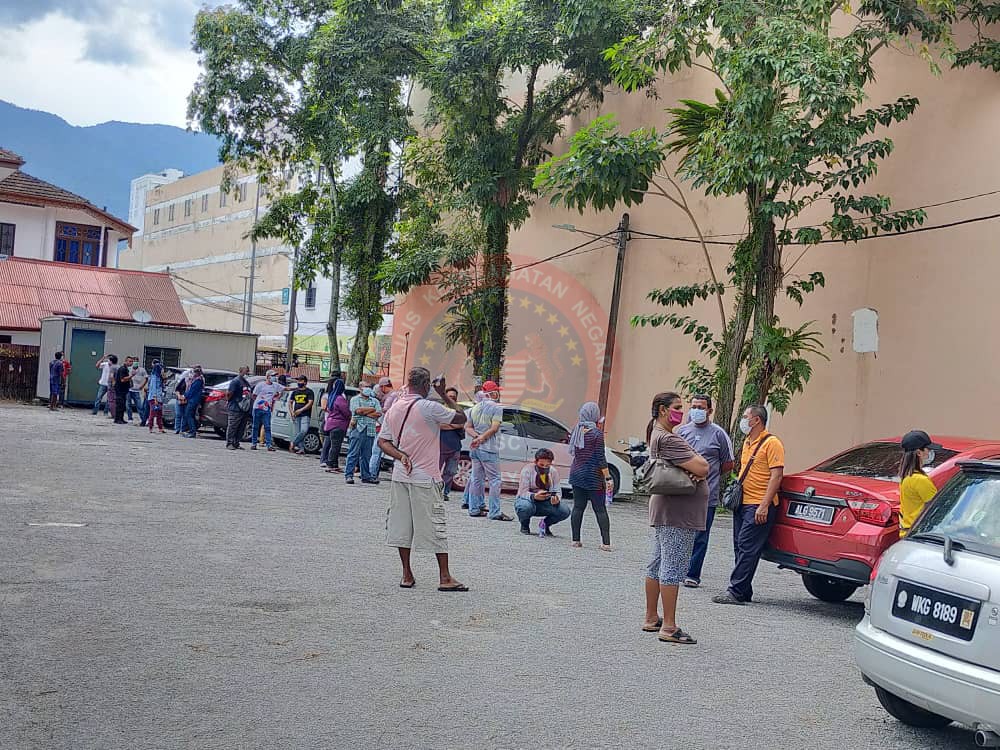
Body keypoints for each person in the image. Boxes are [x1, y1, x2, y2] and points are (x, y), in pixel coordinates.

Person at [378, 367, 469, 591]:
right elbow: (461, 418)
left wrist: (401, 456)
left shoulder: (394, 408)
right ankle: (445, 577)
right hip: (426, 476)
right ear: (427, 385)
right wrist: (445, 394)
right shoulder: (429, 407)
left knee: (402, 526)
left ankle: (407, 574)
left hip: (400, 474)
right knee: (436, 525)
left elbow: (383, 441)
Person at [643, 392, 710, 645]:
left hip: (667, 509)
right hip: (677, 513)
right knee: (672, 567)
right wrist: (694, 469)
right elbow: (703, 467)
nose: (681, 413)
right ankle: (669, 627)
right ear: (662, 410)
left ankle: (651, 617)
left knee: (657, 563)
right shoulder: (668, 438)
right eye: (677, 407)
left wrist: (689, 467)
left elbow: (694, 466)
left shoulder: (659, 434)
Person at [713, 405, 785, 605]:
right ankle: (744, 590)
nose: (743, 421)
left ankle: (735, 591)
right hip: (743, 502)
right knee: (739, 545)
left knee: (747, 545)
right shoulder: (747, 442)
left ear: (756, 420)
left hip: (759, 503)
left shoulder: (772, 443)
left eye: (746, 417)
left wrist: (764, 505)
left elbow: (776, 476)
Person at [676, 394, 735, 588]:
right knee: (680, 532)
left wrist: (710, 474)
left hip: (706, 495)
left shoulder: (718, 434)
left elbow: (728, 463)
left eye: (701, 407)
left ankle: (693, 573)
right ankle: (676, 569)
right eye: (693, 407)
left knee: (700, 535)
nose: (696, 411)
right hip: (683, 493)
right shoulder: (682, 432)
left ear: (709, 410)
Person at [568, 401, 613, 550]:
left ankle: (575, 540)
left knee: (578, 507)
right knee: (600, 509)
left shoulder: (577, 430)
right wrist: (607, 477)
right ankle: (605, 542)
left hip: (576, 473)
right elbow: (600, 457)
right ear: (595, 415)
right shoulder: (597, 434)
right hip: (593, 476)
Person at [466, 380, 512, 521]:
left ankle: (474, 508)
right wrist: (482, 438)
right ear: (492, 393)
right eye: (497, 391)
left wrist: (477, 437)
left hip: (475, 448)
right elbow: (494, 427)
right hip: (489, 448)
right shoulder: (497, 408)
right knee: (495, 481)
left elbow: (467, 427)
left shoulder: (474, 408)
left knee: (476, 478)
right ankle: (494, 511)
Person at [514, 448, 571, 536]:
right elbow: (522, 492)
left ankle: (545, 524)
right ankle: (524, 525)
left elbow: (557, 491)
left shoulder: (553, 471)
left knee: (565, 511)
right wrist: (534, 496)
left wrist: (556, 499)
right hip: (528, 500)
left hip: (546, 500)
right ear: (535, 462)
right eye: (541, 464)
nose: (544, 467)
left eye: (547, 465)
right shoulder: (527, 470)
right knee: (525, 507)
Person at [898, 430, 942, 537]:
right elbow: (937, 509)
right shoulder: (920, 480)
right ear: (919, 453)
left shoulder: (907, 476)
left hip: (908, 532)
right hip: (919, 533)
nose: (930, 452)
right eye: (928, 449)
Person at [345, 386, 382, 484]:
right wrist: (371, 410)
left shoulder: (375, 401)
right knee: (353, 453)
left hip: (370, 429)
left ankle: (366, 476)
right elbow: (357, 411)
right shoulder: (355, 399)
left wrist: (364, 413)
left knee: (367, 454)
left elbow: (378, 413)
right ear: (360, 389)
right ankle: (349, 475)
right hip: (358, 428)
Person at [439, 386, 463, 501]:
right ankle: (435, 491)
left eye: (454, 397)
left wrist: (448, 425)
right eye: (450, 397)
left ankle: (445, 492)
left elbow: (462, 424)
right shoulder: (440, 410)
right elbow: (439, 425)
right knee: (436, 471)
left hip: (455, 447)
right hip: (440, 446)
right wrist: (454, 425)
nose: (452, 399)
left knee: (451, 472)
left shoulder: (458, 411)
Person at [321, 378, 351, 471]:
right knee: (335, 446)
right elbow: (346, 412)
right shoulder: (340, 399)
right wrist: (350, 416)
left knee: (333, 445)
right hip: (338, 425)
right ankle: (331, 464)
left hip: (330, 424)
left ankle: (334, 464)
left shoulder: (331, 397)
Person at [369, 377, 396, 479]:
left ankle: (372, 473)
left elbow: (384, 411)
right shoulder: (396, 395)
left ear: (383, 386)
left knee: (376, 451)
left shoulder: (390, 397)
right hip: (393, 428)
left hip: (384, 428)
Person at [250, 370, 283, 451]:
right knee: (255, 426)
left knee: (267, 426)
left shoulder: (275, 385)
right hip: (258, 408)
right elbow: (254, 395)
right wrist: (260, 403)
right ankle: (254, 443)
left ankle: (269, 445)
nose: (274, 377)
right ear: (268, 376)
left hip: (267, 409)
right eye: (273, 376)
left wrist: (297, 387)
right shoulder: (260, 385)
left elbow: (285, 388)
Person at [288, 375, 314, 455]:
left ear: (305, 382)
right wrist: (292, 412)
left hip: (305, 414)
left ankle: (293, 443)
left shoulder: (309, 392)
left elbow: (310, 403)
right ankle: (301, 449)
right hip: (296, 415)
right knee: (298, 432)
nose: (299, 382)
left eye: (301, 381)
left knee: (303, 430)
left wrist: (301, 410)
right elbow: (290, 402)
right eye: (298, 381)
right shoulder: (295, 392)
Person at [181, 366, 205, 438]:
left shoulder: (198, 381)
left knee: (189, 415)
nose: (192, 373)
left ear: (197, 373)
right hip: (193, 400)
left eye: (194, 372)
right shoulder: (196, 380)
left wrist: (184, 396)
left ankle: (192, 431)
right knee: (190, 415)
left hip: (193, 400)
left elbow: (192, 391)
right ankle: (192, 429)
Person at [97, 354, 118, 420]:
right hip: (103, 383)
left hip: (110, 385)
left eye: (109, 359)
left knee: (109, 400)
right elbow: (97, 365)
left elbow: (112, 376)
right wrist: (103, 358)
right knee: (99, 397)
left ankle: (106, 412)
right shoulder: (105, 364)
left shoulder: (113, 367)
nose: (108, 360)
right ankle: (95, 411)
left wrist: (113, 382)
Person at [113, 356, 133, 424]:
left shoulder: (126, 369)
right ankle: (117, 419)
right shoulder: (122, 369)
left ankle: (121, 418)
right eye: (130, 361)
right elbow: (122, 379)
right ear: (126, 361)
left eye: (132, 361)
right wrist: (131, 376)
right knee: (120, 405)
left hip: (124, 390)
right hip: (120, 390)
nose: (131, 363)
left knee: (122, 405)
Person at [126, 360, 148, 424]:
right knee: (128, 405)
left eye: (136, 361)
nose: (135, 363)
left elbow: (146, 378)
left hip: (137, 390)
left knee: (139, 406)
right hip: (129, 389)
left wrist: (142, 386)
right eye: (134, 361)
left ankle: (143, 419)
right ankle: (130, 418)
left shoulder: (142, 370)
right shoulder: (129, 369)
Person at [147, 360, 165, 433]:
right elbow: (153, 388)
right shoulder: (154, 377)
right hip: (154, 398)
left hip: (159, 397)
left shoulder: (159, 377)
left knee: (159, 413)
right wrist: (155, 399)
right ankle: (150, 427)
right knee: (153, 413)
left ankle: (160, 427)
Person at [173, 369, 190, 434]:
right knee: (178, 414)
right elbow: (177, 389)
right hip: (179, 399)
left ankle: (182, 429)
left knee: (185, 415)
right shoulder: (183, 381)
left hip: (186, 399)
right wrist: (179, 396)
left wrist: (185, 397)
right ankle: (177, 429)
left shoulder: (191, 382)